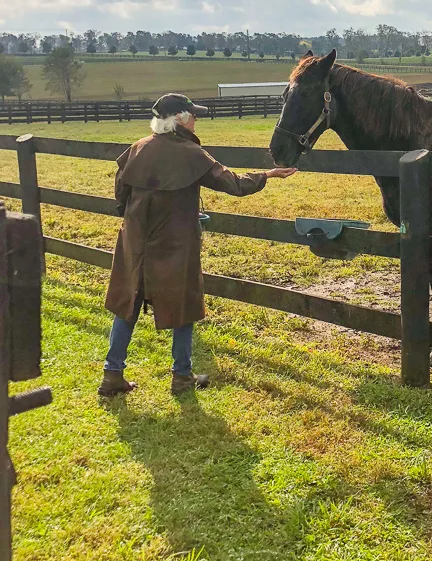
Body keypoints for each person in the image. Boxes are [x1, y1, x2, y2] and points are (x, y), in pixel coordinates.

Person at [99, 92, 296, 397]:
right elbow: (234, 183)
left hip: (135, 241)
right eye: (192, 115)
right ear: (179, 120)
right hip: (176, 243)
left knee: (128, 302)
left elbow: (120, 195)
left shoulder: (137, 148)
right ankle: (181, 376)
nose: (196, 119)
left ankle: (112, 374)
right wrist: (267, 174)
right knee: (183, 304)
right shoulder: (192, 155)